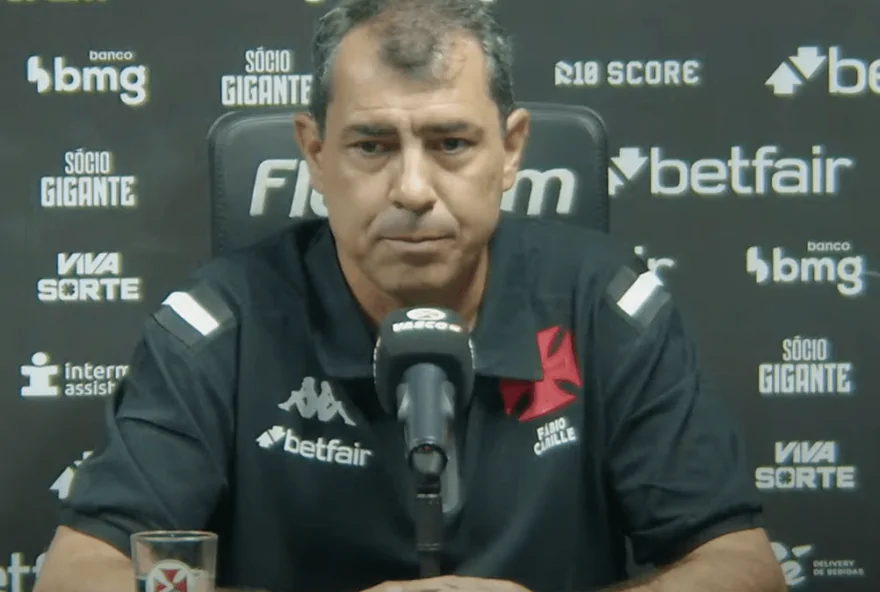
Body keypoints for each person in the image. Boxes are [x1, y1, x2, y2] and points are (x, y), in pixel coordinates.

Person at [34, 0, 787, 591]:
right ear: (315, 154)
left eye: (451, 143)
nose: (414, 190)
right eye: (373, 145)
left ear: (511, 150)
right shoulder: (221, 322)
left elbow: (742, 568)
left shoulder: (604, 303)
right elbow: (79, 574)